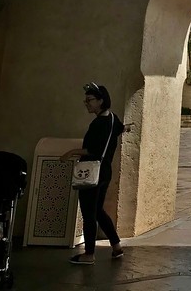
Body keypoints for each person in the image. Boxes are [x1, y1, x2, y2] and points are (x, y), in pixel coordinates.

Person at [60, 82, 132, 265]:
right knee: (98, 210)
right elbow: (121, 129)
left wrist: (71, 153)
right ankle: (116, 246)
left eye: (90, 100)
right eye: (86, 100)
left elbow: (92, 149)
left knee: (89, 213)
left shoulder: (98, 123)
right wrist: (126, 128)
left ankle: (89, 255)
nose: (87, 103)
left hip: (91, 171)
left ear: (101, 101)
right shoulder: (114, 119)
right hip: (104, 171)